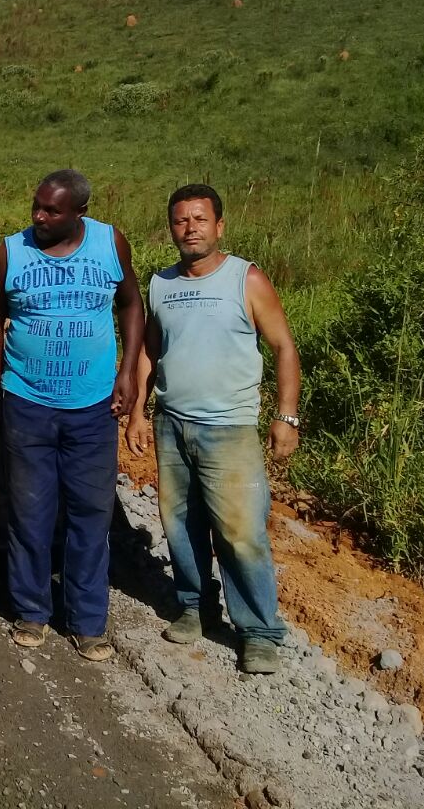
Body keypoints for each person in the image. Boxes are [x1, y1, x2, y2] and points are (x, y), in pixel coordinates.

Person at [126, 184, 298, 674]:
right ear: (171, 228)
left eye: (200, 219)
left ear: (219, 225)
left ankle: (258, 631)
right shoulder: (161, 284)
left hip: (230, 429)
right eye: (181, 221)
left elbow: (284, 346)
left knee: (241, 533)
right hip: (172, 425)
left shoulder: (246, 279)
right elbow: (148, 352)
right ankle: (194, 606)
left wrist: (286, 416)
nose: (190, 229)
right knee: (180, 524)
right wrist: (138, 411)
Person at [0, 169, 143, 662]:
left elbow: (132, 305)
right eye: (36, 205)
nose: (38, 215)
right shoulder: (11, 252)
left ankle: (87, 621)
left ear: (80, 211)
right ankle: (32, 611)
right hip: (28, 404)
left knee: (90, 515)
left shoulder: (109, 243)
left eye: (51, 210)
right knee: (30, 515)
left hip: (92, 407)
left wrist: (127, 373)